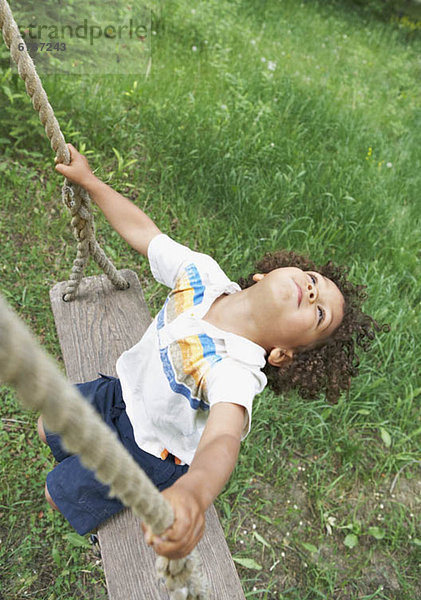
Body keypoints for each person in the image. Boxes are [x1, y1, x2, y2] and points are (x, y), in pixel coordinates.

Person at [37, 143, 385, 560]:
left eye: (319, 314)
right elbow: (146, 235)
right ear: (267, 273)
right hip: (126, 392)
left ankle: (117, 494)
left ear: (283, 355)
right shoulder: (200, 274)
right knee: (46, 425)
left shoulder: (237, 370)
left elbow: (222, 439)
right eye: (313, 280)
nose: (311, 291)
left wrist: (194, 493)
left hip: (149, 451)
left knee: (55, 493)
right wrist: (91, 182)